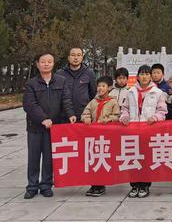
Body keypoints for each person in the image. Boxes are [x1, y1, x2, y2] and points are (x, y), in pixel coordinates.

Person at [23, 53, 76, 199]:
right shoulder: (31, 83)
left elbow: (66, 99)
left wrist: (71, 113)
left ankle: (46, 185)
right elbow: (29, 105)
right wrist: (43, 119)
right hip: (35, 127)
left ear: (53, 64)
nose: (46, 64)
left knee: (49, 157)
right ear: (38, 64)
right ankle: (32, 186)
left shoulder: (61, 81)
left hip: (54, 127)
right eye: (43, 62)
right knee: (33, 157)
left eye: (49, 61)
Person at [120, 65, 168, 198]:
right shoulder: (131, 91)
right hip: (133, 130)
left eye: (147, 74)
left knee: (146, 158)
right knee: (133, 157)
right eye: (142, 74)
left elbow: (162, 111)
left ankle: (145, 185)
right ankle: (134, 185)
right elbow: (125, 108)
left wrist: (155, 118)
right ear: (138, 76)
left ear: (151, 76)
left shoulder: (157, 92)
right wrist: (124, 117)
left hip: (149, 130)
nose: (144, 76)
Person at [81, 75, 120, 197]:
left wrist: (107, 120)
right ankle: (94, 185)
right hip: (93, 136)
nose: (100, 88)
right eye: (99, 86)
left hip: (107, 136)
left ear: (109, 88)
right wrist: (86, 118)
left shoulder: (113, 102)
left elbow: (117, 116)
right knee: (94, 160)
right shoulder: (93, 102)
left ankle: (101, 184)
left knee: (103, 159)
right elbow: (85, 112)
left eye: (103, 86)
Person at [56, 47, 96, 121]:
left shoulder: (89, 73)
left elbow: (93, 93)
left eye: (78, 55)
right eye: (73, 55)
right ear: (68, 57)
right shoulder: (60, 74)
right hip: (64, 115)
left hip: (83, 115)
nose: (76, 58)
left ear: (82, 57)